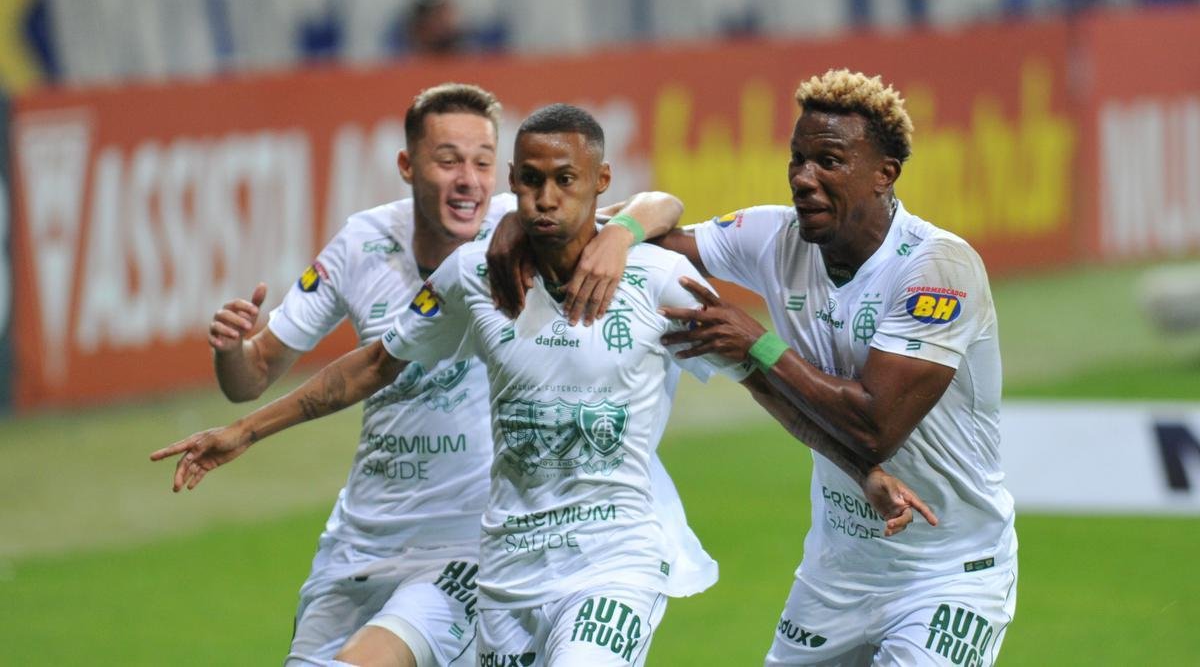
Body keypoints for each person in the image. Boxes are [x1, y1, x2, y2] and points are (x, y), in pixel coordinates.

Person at [154, 103, 930, 666]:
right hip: (510, 570)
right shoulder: (476, 274)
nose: (545, 198)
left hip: (617, 561)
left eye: (565, 181)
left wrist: (862, 471)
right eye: (530, 183)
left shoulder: (657, 279)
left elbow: (764, 385)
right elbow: (374, 365)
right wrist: (244, 432)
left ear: (601, 185)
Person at [175, 83, 677, 667]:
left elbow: (655, 204)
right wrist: (233, 367)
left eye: (482, 162)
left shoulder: (527, 224)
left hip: (464, 546)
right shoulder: (365, 243)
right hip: (358, 539)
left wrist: (622, 233)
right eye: (448, 160)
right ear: (408, 166)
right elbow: (274, 372)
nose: (468, 179)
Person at [655, 69, 1017, 665]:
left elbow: (874, 427)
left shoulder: (938, 269)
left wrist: (759, 347)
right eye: (797, 159)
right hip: (838, 573)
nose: (804, 178)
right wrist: (625, 224)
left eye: (829, 161)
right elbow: (651, 243)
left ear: (884, 175)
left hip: (949, 572)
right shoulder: (775, 235)